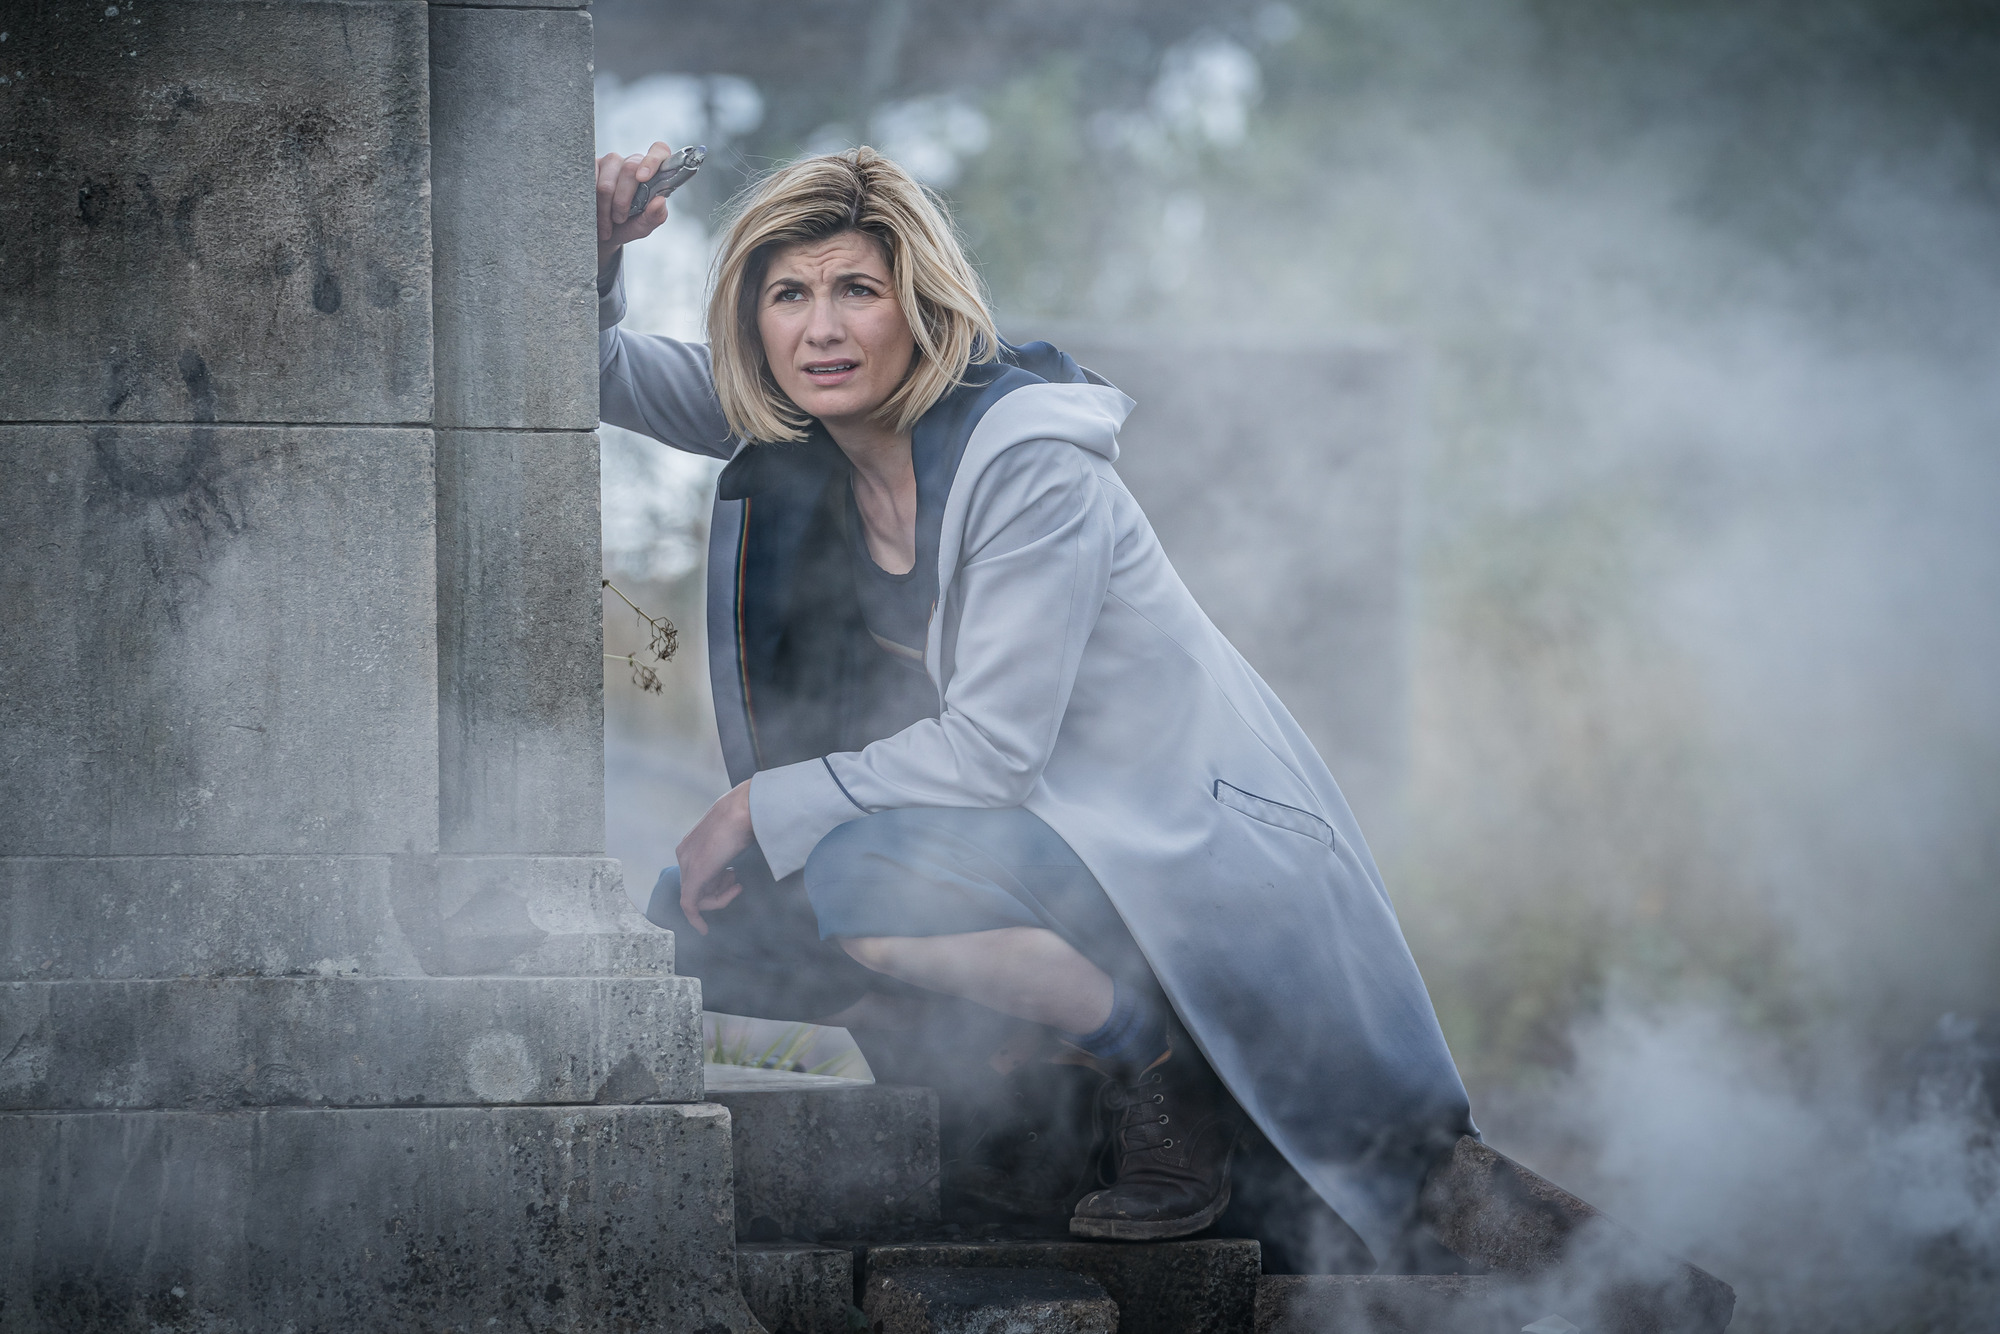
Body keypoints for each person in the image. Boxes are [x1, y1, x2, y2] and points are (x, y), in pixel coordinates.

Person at [595, 142, 1474, 1263]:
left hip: (1162, 843)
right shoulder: (793, 425)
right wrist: (597, 254)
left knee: (862, 875)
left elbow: (992, 752)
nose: (821, 329)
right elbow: (596, 369)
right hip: (1026, 838)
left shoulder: (1030, 461)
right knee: (703, 917)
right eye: (789, 296)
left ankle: (1160, 1063)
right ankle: (1012, 1086)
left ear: (920, 308)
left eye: (857, 290)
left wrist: (755, 804)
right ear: (751, 321)